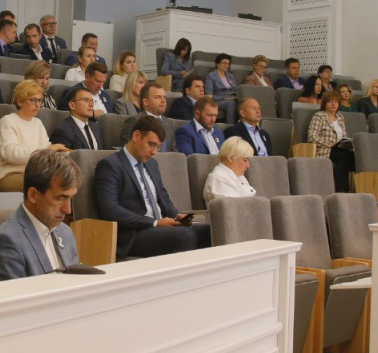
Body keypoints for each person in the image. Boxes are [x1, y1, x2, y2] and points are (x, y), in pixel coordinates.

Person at [95, 115, 210, 260]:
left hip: (159, 227)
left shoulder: (152, 164)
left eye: (158, 147)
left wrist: (177, 216)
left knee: (208, 231)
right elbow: (110, 210)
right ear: (136, 136)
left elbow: (163, 198)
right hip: (133, 233)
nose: (154, 152)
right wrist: (155, 223)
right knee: (184, 236)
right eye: (151, 144)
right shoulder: (110, 165)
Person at [0, 149, 82, 282]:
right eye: (60, 198)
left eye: (70, 198)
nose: (68, 209)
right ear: (33, 195)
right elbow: (16, 302)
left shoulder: (66, 233)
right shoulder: (7, 242)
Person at [0, 80, 66, 192]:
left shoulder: (38, 123)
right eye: (33, 100)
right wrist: (46, 150)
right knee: (45, 185)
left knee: (66, 180)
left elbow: (46, 150)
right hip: (9, 174)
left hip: (35, 174)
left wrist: (59, 152)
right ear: (20, 102)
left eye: (40, 100)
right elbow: (10, 153)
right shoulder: (8, 121)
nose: (38, 105)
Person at [307, 90, 354, 192]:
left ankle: (359, 189)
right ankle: (342, 190)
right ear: (325, 103)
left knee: (355, 156)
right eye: (330, 101)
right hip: (326, 149)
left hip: (340, 148)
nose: (333, 104)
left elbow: (343, 135)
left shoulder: (340, 117)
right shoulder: (319, 116)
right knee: (345, 156)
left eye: (336, 102)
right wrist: (330, 144)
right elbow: (312, 136)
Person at [120, 82, 176, 151]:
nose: (163, 101)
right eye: (158, 97)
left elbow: (173, 151)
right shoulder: (134, 121)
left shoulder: (169, 123)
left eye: (164, 97)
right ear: (145, 102)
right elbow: (128, 150)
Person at [203, 137, 257, 204]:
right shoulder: (219, 178)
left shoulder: (238, 175)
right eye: (245, 160)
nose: (248, 166)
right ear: (231, 158)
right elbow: (233, 209)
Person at [204, 53, 238, 118]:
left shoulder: (231, 76)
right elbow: (209, 96)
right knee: (231, 104)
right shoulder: (210, 76)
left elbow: (235, 90)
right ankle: (230, 126)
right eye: (224, 63)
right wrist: (224, 98)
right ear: (217, 64)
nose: (226, 65)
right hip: (218, 100)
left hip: (233, 98)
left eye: (228, 63)